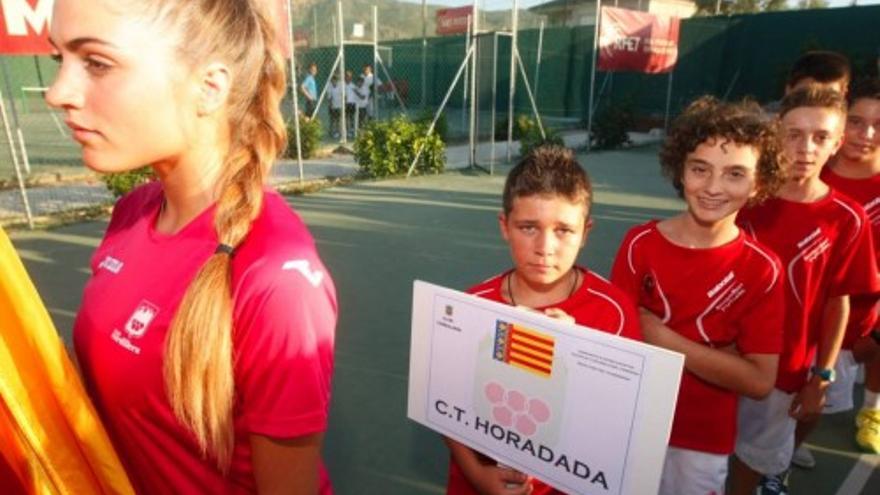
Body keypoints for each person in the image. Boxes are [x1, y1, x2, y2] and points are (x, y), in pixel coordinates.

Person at [46, 0, 337, 493]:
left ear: (209, 87)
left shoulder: (274, 277)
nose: (58, 93)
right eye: (60, 61)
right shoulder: (132, 212)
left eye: (96, 63)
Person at [610, 97, 786, 495]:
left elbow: (759, 380)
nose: (712, 187)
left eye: (735, 174)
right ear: (680, 170)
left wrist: (662, 337)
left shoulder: (762, 268)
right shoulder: (640, 243)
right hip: (631, 421)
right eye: (700, 169)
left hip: (703, 437)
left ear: (759, 182)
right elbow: (616, 336)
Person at [444, 146, 642, 495]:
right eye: (528, 227)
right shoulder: (472, 307)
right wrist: (478, 475)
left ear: (586, 233)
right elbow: (445, 405)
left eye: (563, 229)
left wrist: (576, 357)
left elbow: (622, 425)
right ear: (505, 227)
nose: (545, 247)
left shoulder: (613, 312)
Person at [730, 87, 880, 495]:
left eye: (819, 137)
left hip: (785, 371)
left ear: (837, 143)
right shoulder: (740, 197)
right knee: (698, 454)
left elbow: (838, 304)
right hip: (720, 357)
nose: (805, 148)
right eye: (794, 133)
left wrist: (822, 378)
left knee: (749, 464)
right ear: (775, 133)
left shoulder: (847, 219)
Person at [820, 78, 880, 454]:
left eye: (878, 126)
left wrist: (876, 336)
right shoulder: (814, 174)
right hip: (819, 311)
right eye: (856, 121)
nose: (866, 134)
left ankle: (872, 412)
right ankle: (785, 451)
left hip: (869, 311)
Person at [328, 74, 343, 139]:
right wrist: (331, 106)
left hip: (339, 106)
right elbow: (329, 98)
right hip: (333, 106)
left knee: (338, 120)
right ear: (331, 81)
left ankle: (338, 132)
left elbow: (343, 96)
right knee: (332, 120)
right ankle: (332, 132)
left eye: (336, 80)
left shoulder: (340, 86)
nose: (334, 81)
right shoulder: (329, 87)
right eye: (333, 80)